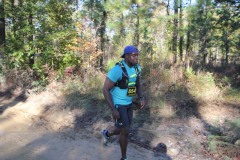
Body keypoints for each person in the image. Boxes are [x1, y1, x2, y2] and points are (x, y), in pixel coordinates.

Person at [102, 45, 145, 160]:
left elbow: (137, 85)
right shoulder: (117, 70)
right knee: (125, 131)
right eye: (133, 55)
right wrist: (113, 109)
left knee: (122, 129)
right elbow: (105, 89)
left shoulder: (137, 68)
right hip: (118, 104)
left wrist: (140, 98)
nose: (136, 57)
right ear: (126, 56)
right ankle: (124, 158)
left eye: (137, 55)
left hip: (129, 103)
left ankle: (107, 133)